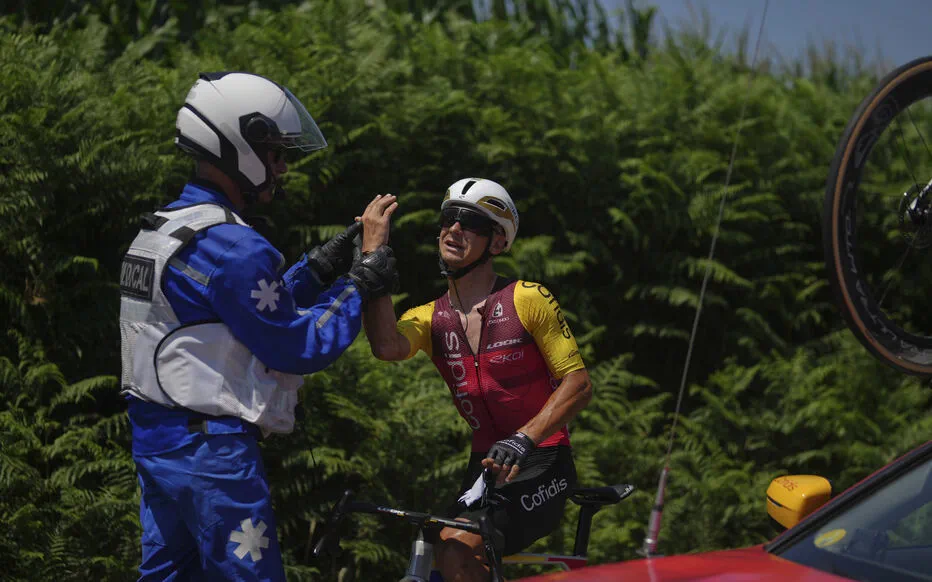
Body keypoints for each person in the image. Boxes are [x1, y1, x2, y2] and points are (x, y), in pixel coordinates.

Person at [118, 71, 397, 581]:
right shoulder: (236, 247)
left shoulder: (165, 229)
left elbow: (237, 315)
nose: (283, 166)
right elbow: (297, 344)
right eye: (274, 153)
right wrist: (361, 282)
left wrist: (317, 270)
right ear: (236, 145)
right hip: (212, 456)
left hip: (158, 446)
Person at [359, 178, 592, 582]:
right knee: (429, 551)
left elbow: (579, 385)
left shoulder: (527, 298)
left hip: (543, 461)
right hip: (484, 467)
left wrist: (524, 438)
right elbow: (386, 346)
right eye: (448, 219)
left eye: (469, 223)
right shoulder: (430, 317)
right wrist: (373, 259)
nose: (453, 230)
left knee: (455, 549)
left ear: (498, 243)